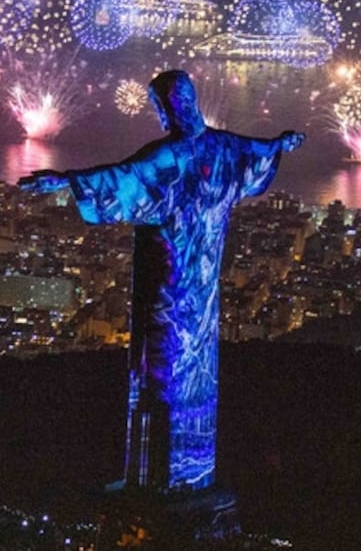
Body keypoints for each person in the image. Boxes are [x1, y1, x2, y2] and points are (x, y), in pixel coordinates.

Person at [20, 69, 303, 492]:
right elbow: (257, 154)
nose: (160, 113)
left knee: (160, 367)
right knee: (196, 369)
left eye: (159, 105)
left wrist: (65, 180)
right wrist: (281, 144)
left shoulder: (167, 159)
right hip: (205, 288)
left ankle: (160, 481)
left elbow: (122, 179)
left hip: (167, 284)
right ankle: (193, 472)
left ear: (170, 105)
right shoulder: (225, 149)